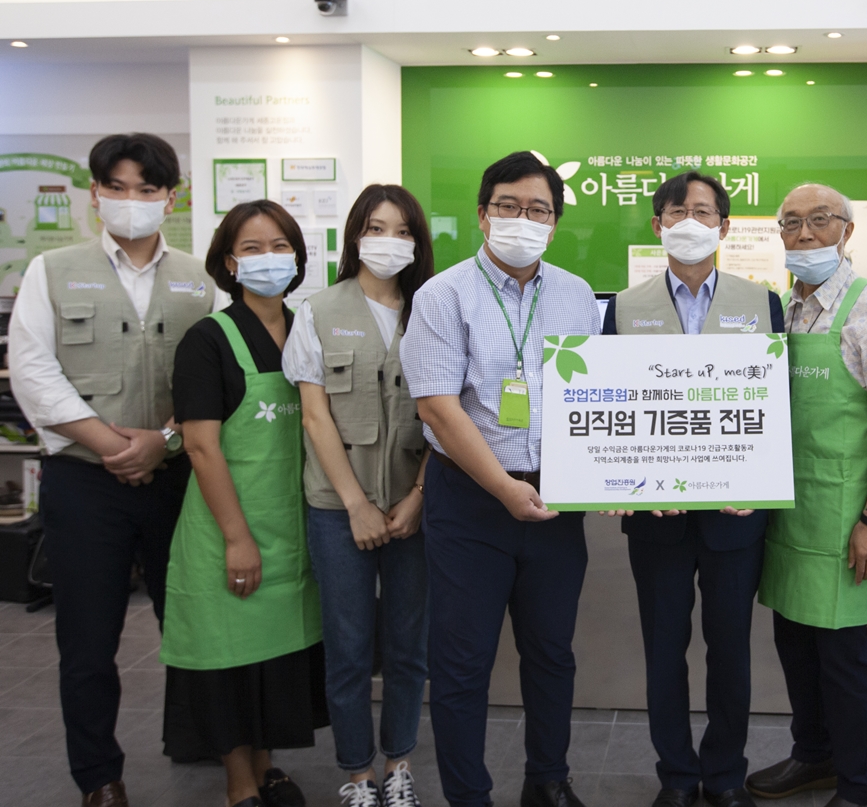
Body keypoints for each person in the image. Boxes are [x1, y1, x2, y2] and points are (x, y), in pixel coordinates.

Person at [8, 133, 215, 807]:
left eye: (147, 189)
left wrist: (161, 442)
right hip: (83, 481)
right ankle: (99, 776)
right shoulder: (51, 269)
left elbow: (215, 383)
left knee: (187, 621)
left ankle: (199, 738)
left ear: (171, 198)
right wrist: (112, 446)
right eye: (117, 188)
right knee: (89, 638)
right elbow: (34, 373)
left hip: (177, 475)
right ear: (94, 194)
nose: (132, 201)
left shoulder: (197, 277)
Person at [401, 151, 601, 807]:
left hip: (555, 496)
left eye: (538, 209)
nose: (524, 219)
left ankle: (548, 779)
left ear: (555, 221)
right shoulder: (443, 294)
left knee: (552, 653)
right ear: (483, 215)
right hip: (470, 500)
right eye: (509, 206)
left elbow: (598, 396)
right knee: (462, 662)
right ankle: (468, 794)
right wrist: (503, 488)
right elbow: (438, 406)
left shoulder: (576, 294)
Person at [599, 171, 785, 807]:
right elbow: (612, 405)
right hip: (657, 519)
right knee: (664, 651)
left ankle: (726, 774)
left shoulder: (764, 302)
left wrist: (756, 476)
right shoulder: (622, 308)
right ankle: (677, 776)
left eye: (704, 212)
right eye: (677, 211)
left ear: (725, 227)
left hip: (736, 517)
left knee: (730, 652)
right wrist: (625, 475)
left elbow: (775, 405)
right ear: (657, 225)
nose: (690, 222)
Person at [747, 184, 867, 807]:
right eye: (791, 223)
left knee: (842, 655)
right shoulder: (784, 309)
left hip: (847, 513)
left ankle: (861, 781)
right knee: (795, 643)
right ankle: (812, 755)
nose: (805, 234)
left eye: (820, 221)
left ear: (847, 231)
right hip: (790, 512)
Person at [159, 200, 328, 807]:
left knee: (277, 662)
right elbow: (201, 447)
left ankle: (267, 765)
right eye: (252, 249)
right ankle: (239, 785)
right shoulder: (208, 339)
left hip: (295, 526)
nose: (268, 259)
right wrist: (238, 537)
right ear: (229, 262)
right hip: (227, 527)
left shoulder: (310, 327)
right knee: (230, 663)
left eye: (280, 245)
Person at [282, 184, 434, 807]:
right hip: (337, 508)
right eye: (377, 227)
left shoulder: (434, 306)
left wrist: (419, 496)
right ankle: (356, 774)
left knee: (408, 646)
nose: (389, 241)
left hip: (415, 508)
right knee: (346, 648)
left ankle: (398, 765)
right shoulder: (316, 311)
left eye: (403, 231)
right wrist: (356, 504)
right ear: (354, 235)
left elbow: (450, 413)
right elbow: (314, 417)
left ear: (417, 242)